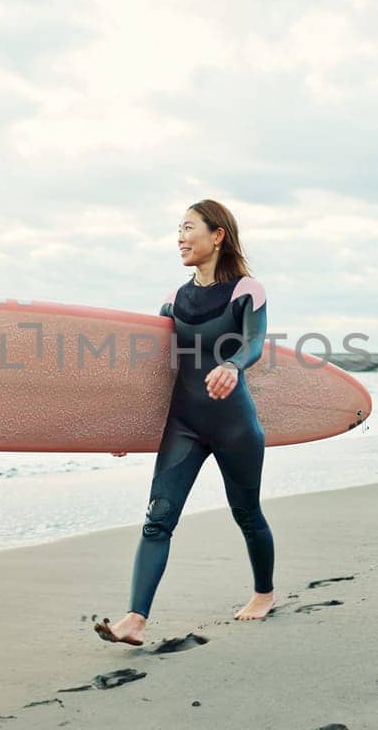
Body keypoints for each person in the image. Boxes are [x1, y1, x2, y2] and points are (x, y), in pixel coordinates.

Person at [94, 199, 274, 647]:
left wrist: (231, 366)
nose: (180, 237)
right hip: (184, 426)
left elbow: (253, 343)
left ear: (217, 236)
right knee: (158, 520)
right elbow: (154, 374)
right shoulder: (173, 301)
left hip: (235, 425)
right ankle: (135, 619)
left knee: (247, 514)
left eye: (188, 228)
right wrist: (128, 426)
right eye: (177, 229)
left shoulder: (246, 291)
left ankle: (264, 593)